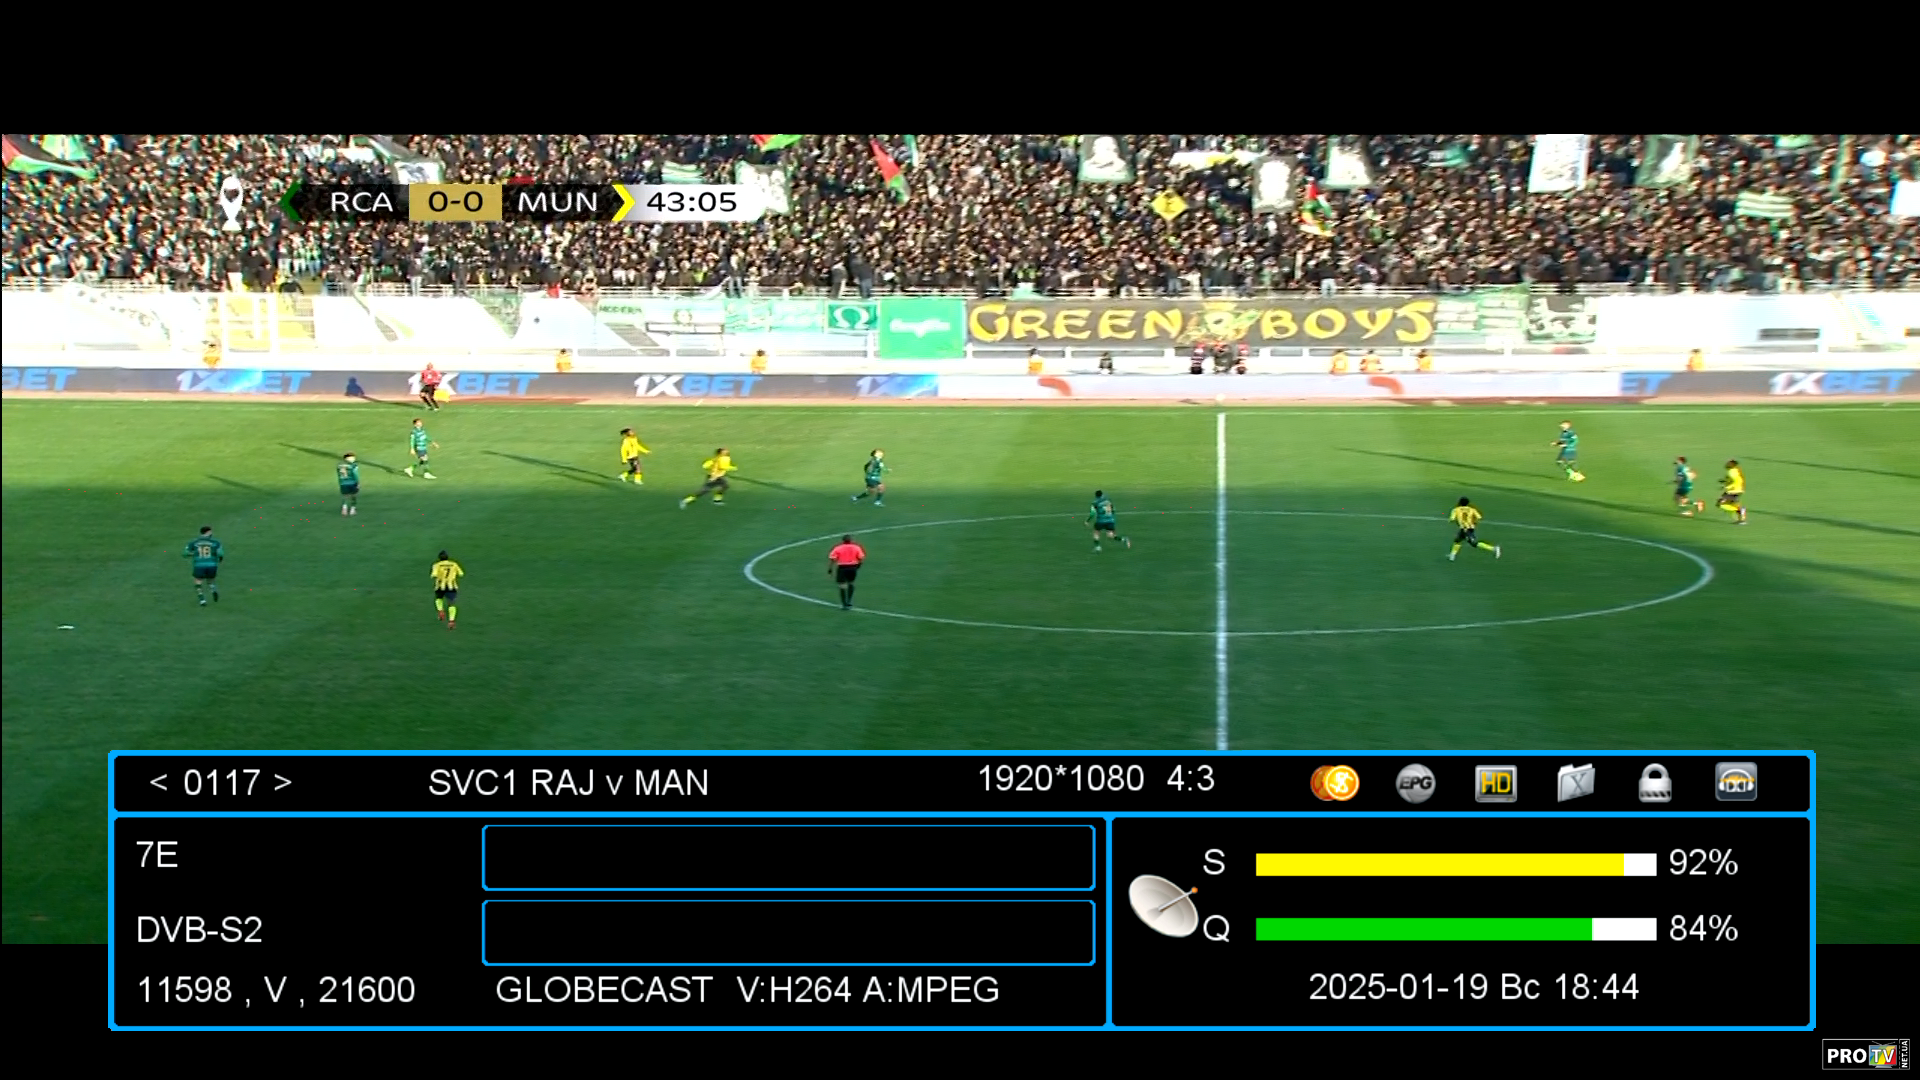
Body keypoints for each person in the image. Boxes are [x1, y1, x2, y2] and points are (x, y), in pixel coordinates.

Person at [183, 525, 224, 606]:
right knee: (210, 580)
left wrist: (194, 554)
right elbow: (220, 554)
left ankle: (202, 600)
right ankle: (213, 589)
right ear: (208, 532)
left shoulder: (194, 542)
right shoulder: (215, 542)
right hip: (212, 565)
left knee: (198, 582)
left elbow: (185, 554)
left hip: (199, 565)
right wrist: (220, 559)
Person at [828, 534, 867, 610]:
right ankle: (849, 601)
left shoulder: (838, 548)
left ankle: (844, 604)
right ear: (851, 540)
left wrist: (830, 568)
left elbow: (832, 558)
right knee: (851, 583)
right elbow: (861, 557)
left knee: (842, 585)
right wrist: (858, 565)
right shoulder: (856, 547)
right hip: (853, 567)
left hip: (842, 568)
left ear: (843, 541)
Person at [431, 550, 464, 628]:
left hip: (440, 586)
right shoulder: (454, 564)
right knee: (451, 604)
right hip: (451, 586)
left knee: (438, 598)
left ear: (439, 558)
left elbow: (434, 575)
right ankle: (451, 621)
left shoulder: (437, 565)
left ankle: (440, 610)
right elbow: (461, 574)